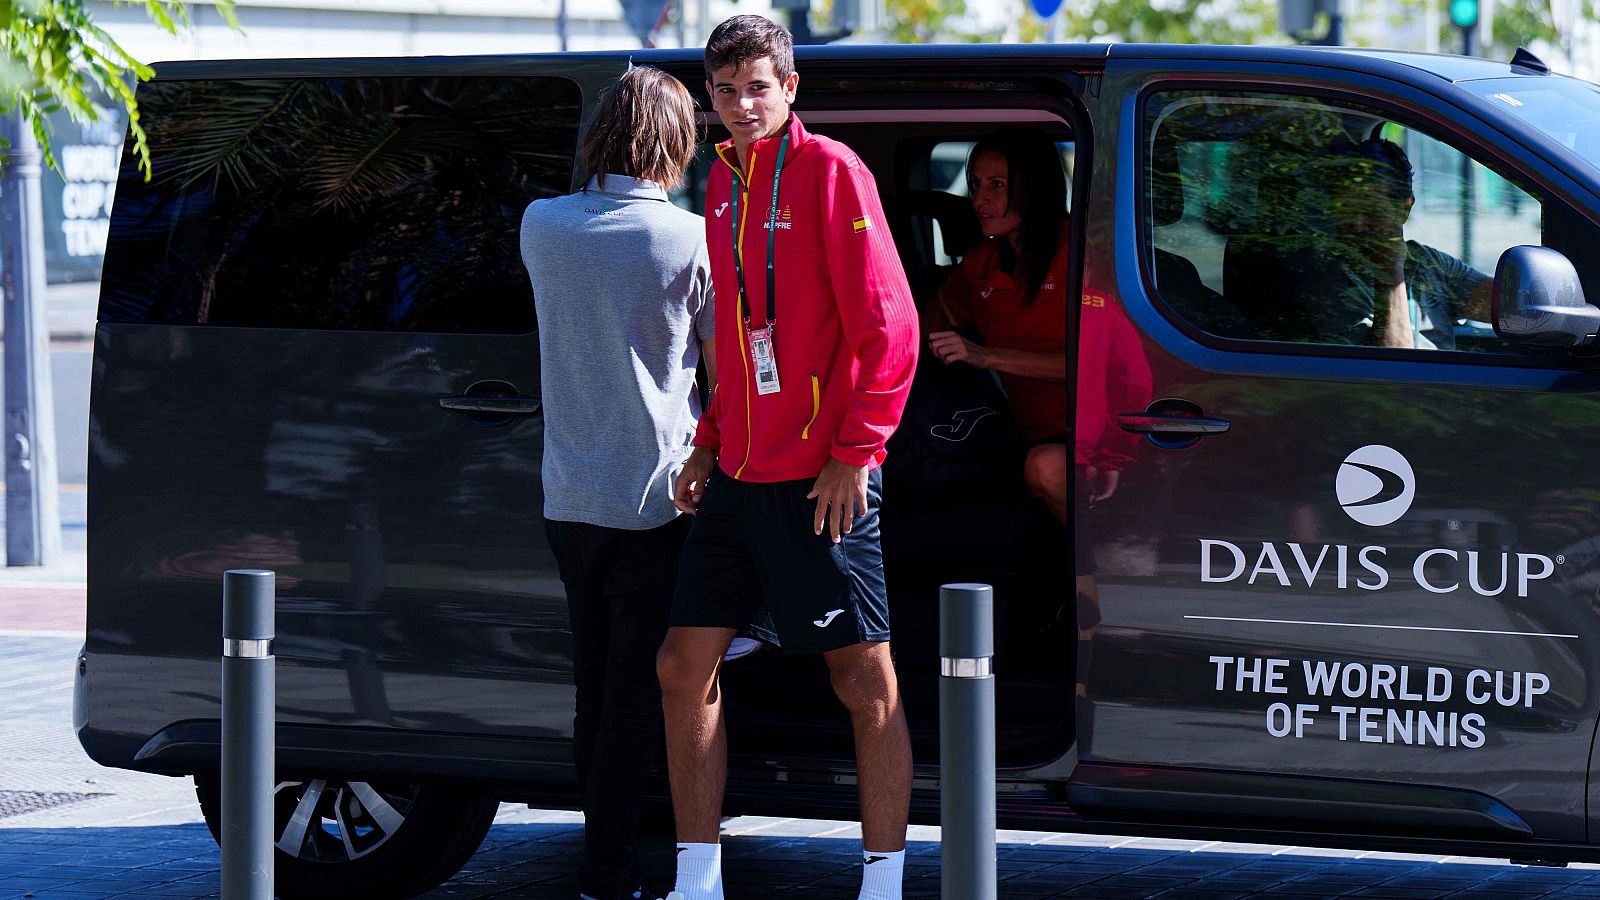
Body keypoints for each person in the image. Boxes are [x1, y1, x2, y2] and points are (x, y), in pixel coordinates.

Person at [656, 15, 918, 900]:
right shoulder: (721, 184)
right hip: (736, 474)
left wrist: (857, 452)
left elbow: (893, 329)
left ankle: (882, 881)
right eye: (724, 92)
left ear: (791, 86)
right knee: (680, 668)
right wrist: (707, 441)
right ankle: (698, 880)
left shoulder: (833, 171)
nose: (740, 106)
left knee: (861, 678)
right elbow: (734, 340)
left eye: (756, 87)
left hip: (824, 480)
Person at [520, 66, 713, 900]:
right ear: (675, 143)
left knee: (593, 688)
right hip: (656, 495)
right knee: (637, 697)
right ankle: (609, 870)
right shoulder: (689, 239)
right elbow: (721, 363)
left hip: (569, 494)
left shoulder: (541, 224)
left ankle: (602, 864)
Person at [925, 130, 1148, 524]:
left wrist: (985, 356)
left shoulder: (1079, 255)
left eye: (998, 186)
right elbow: (932, 318)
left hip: (1093, 440)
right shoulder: (983, 261)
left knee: (1044, 466)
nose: (979, 200)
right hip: (1019, 433)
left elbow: (1084, 368)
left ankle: (1087, 582)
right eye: (976, 185)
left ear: (1034, 187)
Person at [1300, 138, 1492, 349]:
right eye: (1346, 212)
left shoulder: (1430, 264)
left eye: (1372, 211)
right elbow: (1393, 367)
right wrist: (1390, 273)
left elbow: (1508, 308)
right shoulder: (1325, 279)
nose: (1357, 224)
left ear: (1405, 208)